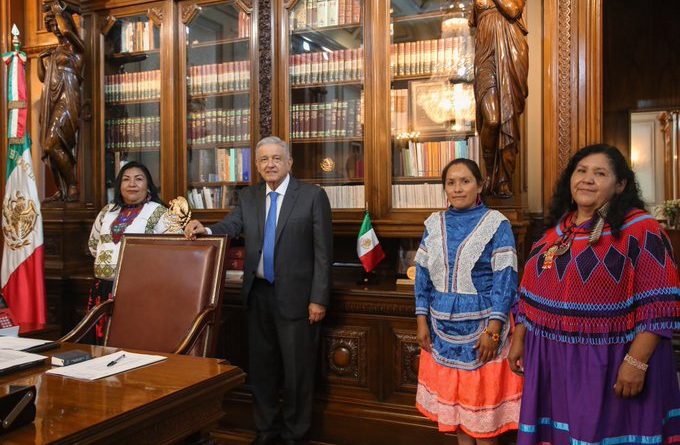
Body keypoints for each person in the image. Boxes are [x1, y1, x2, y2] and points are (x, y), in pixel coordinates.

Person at [508, 144, 680, 445]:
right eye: (581, 171)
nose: (587, 179)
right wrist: (519, 338)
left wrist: (636, 363)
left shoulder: (642, 230)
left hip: (610, 363)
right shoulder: (556, 231)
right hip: (554, 362)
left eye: (600, 173)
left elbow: (660, 305)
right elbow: (529, 291)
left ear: (620, 184)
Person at [184, 136, 333, 445]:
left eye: (277, 158)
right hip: (258, 295)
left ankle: (294, 435)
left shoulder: (312, 196)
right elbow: (231, 226)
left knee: (297, 373)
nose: (270, 164)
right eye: (264, 159)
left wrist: (318, 299)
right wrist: (206, 229)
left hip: (298, 300)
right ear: (256, 165)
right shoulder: (249, 197)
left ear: (289, 162)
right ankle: (266, 431)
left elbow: (323, 253)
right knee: (262, 371)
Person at [415, 158, 523, 444]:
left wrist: (493, 330)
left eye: (465, 181)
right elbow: (422, 277)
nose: (457, 188)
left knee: (482, 421)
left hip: (483, 329)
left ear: (480, 185)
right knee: (459, 421)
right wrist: (421, 320)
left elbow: (506, 280)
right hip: (440, 330)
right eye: (451, 183)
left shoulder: (496, 223)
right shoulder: (434, 224)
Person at [87, 162, 179, 342]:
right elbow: (93, 245)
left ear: (148, 185)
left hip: (141, 291)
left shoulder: (160, 212)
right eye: (126, 179)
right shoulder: (107, 211)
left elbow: (177, 250)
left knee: (133, 340)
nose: (132, 184)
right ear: (119, 185)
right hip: (103, 289)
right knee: (101, 343)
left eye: (138, 179)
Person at [469, 0, 528, 198]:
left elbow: (513, 10)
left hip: (510, 51)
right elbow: (474, 22)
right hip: (485, 56)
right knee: (492, 119)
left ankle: (503, 179)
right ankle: (488, 173)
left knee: (507, 119)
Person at [38, 0, 84, 202]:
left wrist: (59, 12)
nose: (56, 28)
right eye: (52, 25)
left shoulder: (77, 48)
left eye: (57, 24)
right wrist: (40, 59)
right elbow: (42, 77)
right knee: (48, 146)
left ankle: (72, 185)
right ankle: (62, 188)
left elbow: (66, 31)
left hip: (68, 99)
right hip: (52, 99)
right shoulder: (53, 52)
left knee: (51, 144)